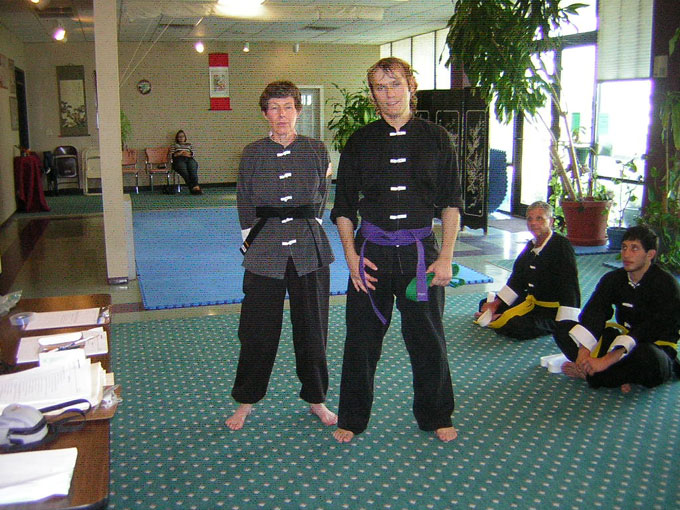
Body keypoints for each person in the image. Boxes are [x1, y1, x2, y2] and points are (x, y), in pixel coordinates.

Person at [330, 57, 462, 443]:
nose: (388, 94)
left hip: (421, 257)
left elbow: (451, 203)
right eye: (380, 87)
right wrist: (351, 258)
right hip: (371, 256)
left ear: (411, 87)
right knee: (361, 341)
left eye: (395, 85)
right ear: (372, 94)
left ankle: (437, 414)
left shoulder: (437, 138)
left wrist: (446, 256)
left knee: (428, 339)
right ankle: (352, 418)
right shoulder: (359, 141)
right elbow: (343, 208)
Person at [225, 81, 337, 430]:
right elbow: (244, 200)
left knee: (313, 329)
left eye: (288, 107)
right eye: (274, 108)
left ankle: (316, 398)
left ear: (298, 111)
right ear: (265, 114)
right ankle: (246, 400)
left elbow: (321, 197)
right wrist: (252, 241)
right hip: (265, 248)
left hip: (309, 249)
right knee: (256, 330)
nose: (282, 115)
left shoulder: (317, 149)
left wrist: (310, 228)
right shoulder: (252, 153)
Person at [554, 225, 680, 393]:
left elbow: (649, 329)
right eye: (624, 247)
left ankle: (593, 375)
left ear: (650, 254)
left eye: (634, 248)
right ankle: (612, 374)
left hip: (653, 347)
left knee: (646, 357)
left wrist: (607, 359)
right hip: (620, 339)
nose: (626, 254)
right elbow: (595, 311)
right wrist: (583, 352)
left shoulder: (667, 285)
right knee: (563, 329)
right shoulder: (613, 278)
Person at [474, 201, 581, 339]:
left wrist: (566, 324)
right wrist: (495, 304)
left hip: (551, 311)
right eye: (530, 219)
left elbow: (569, 286)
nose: (533, 223)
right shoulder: (531, 245)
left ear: (551, 221)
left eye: (539, 218)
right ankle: (498, 316)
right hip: (531, 302)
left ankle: (500, 319)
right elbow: (517, 280)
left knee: (517, 326)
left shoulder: (561, 246)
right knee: (485, 303)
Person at [170, 130, 202, 194]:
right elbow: (172, 155)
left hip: (189, 159)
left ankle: (195, 186)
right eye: (179, 137)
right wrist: (180, 153)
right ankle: (193, 187)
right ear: (177, 138)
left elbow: (192, 154)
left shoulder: (189, 145)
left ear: (185, 137)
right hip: (178, 159)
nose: (181, 138)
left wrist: (186, 153)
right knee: (184, 171)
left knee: (193, 169)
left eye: (182, 136)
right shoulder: (174, 145)